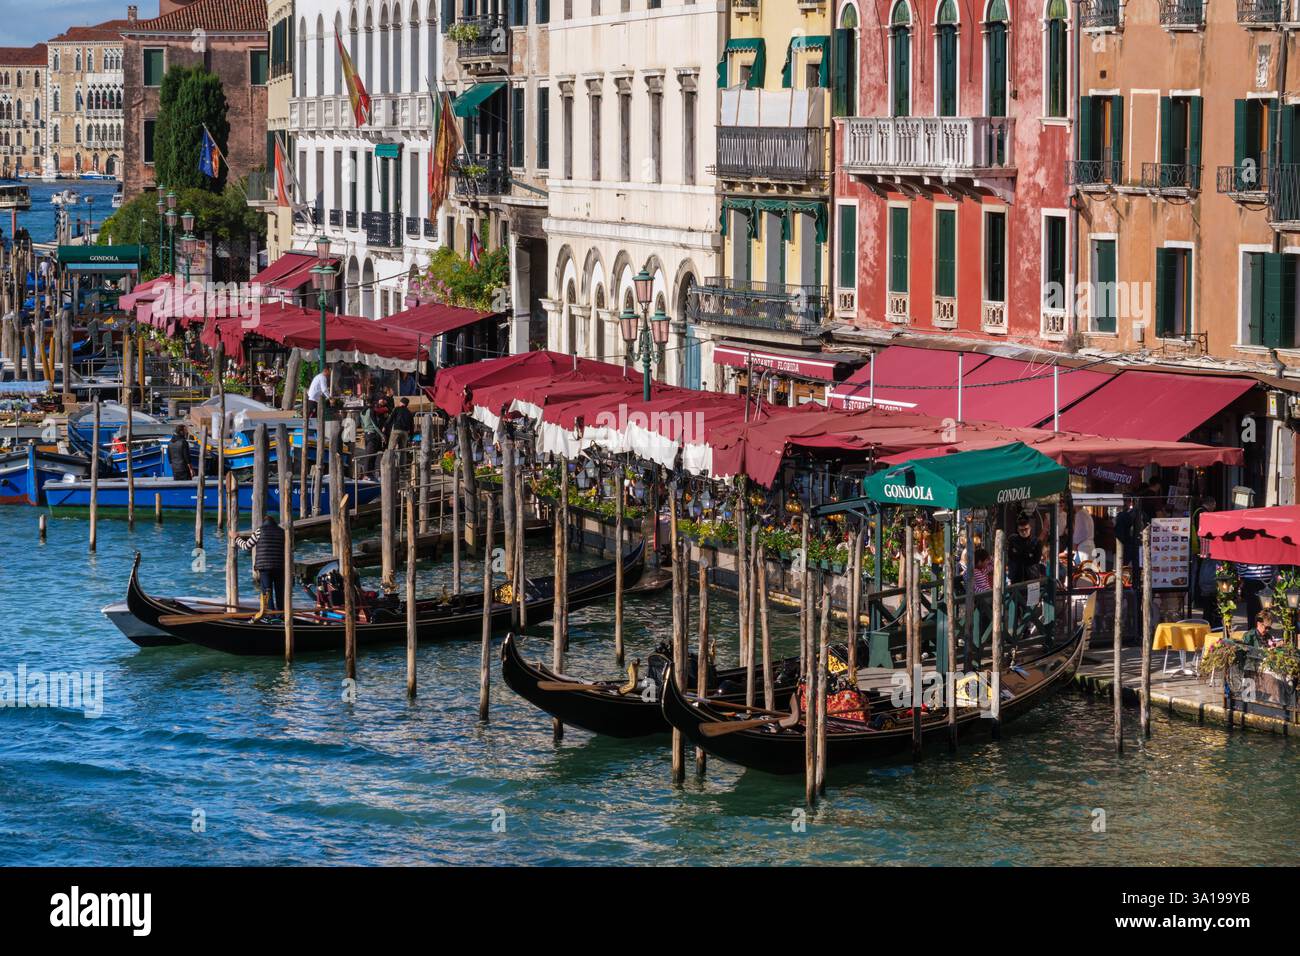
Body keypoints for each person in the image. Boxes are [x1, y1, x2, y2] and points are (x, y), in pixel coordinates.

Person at [235, 514, 287, 620]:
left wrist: (236, 538)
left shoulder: (260, 531)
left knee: (267, 591)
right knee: (280, 592)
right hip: (279, 566)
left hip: (264, 567)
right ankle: (281, 615)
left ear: (264, 522)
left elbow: (246, 546)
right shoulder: (282, 532)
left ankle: (270, 615)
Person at [1236, 561, 1275, 628]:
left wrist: (1240, 574)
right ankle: (1265, 628)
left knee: (1252, 608)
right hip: (1266, 578)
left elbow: (1242, 568)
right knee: (1266, 607)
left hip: (1251, 579)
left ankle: (1254, 629)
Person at [1113, 495, 1143, 569]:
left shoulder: (1124, 515)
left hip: (1127, 543)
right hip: (1131, 543)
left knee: (1124, 566)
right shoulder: (1135, 513)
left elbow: (1119, 531)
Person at [1007, 515, 1039, 583]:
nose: (1024, 532)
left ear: (1030, 528)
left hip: (1031, 577)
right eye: (1021, 530)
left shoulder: (1036, 541)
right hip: (1016, 576)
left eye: (1026, 529)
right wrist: (1028, 555)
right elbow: (1011, 556)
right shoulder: (1013, 540)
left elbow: (1036, 560)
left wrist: (1018, 553)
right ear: (1018, 530)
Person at [360, 402, 384, 478]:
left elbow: (362, 424)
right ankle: (367, 474)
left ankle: (370, 473)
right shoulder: (370, 411)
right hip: (372, 434)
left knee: (370, 454)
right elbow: (374, 424)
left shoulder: (362, 411)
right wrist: (382, 435)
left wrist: (365, 430)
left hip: (367, 433)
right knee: (370, 455)